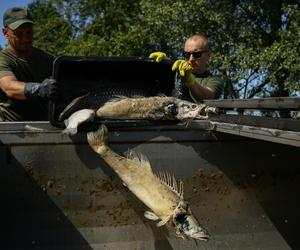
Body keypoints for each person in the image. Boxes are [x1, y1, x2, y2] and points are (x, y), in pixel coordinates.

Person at [0, 7, 56, 121]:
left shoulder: (47, 59)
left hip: (44, 127)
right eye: (19, 33)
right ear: (5, 33)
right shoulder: (3, 58)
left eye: (29, 32)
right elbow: (9, 87)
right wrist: (39, 88)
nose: (25, 38)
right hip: (9, 130)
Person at [149, 34, 224, 103]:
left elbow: (207, 96)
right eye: (187, 54)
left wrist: (190, 80)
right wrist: (162, 64)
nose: (191, 59)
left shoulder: (214, 80)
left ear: (208, 55)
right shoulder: (177, 72)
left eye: (196, 54)